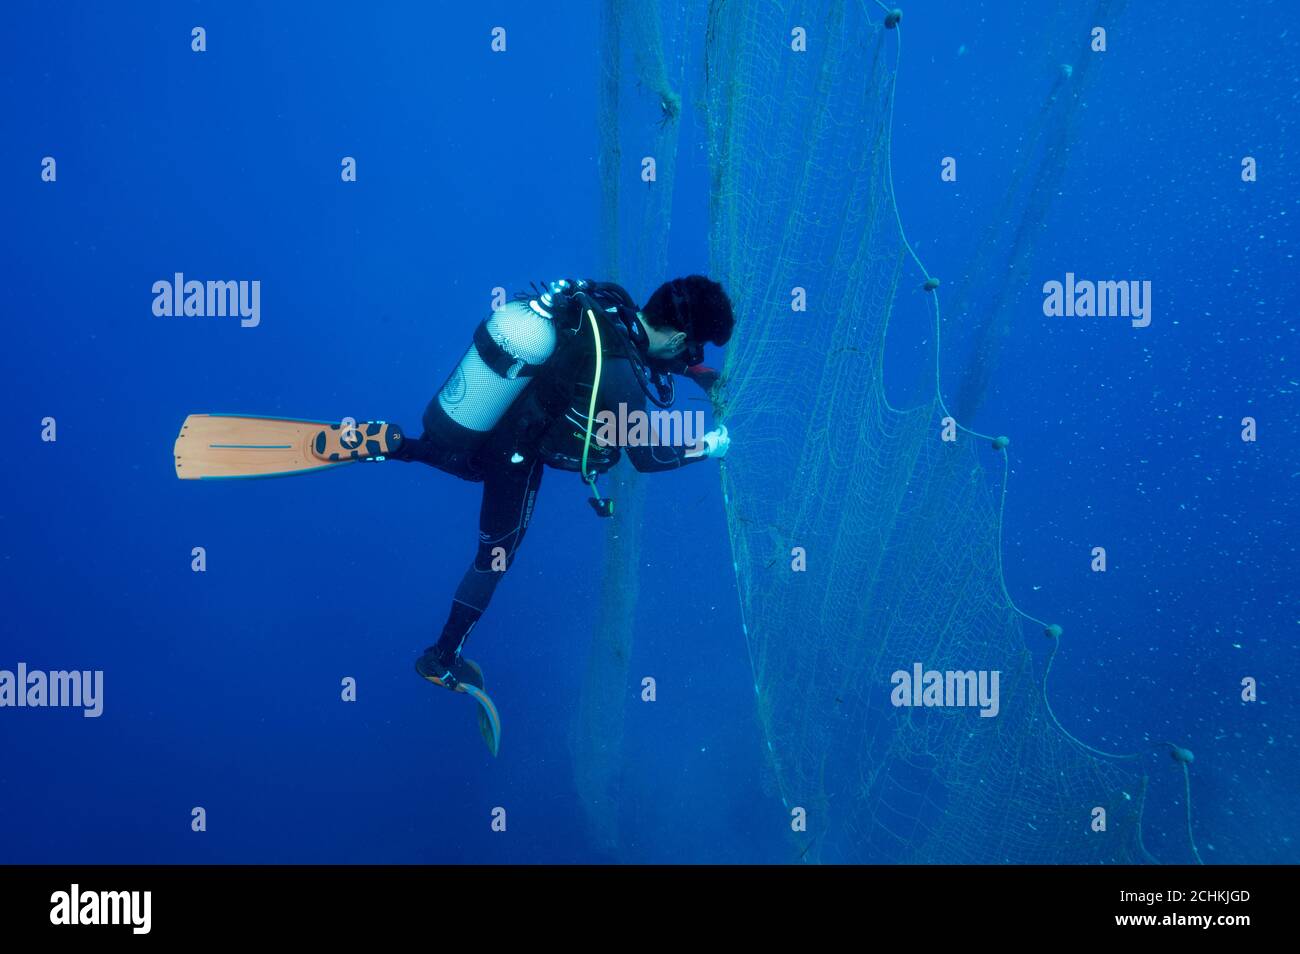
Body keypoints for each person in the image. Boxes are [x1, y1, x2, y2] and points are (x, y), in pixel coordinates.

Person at [390, 275, 735, 689]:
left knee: (468, 462)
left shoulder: (611, 306)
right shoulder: (624, 382)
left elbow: (640, 352)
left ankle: (392, 445)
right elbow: (649, 456)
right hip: (516, 453)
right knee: (496, 556)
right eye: (693, 347)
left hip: (502, 409)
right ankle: (441, 658)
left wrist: (694, 371)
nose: (693, 354)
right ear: (680, 338)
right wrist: (709, 445)